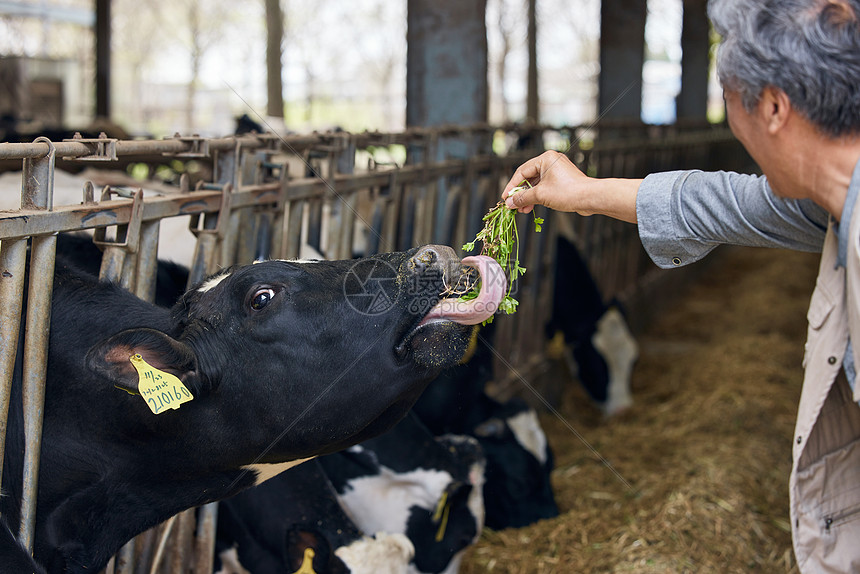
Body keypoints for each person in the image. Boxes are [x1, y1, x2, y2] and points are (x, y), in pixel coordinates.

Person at [502, 0, 860, 571]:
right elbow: (719, 203)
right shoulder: (831, 203)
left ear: (771, 107)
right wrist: (583, 192)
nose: (731, 129)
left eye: (730, 102)